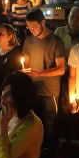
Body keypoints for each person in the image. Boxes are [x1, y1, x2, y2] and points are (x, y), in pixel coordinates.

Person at [23, 8, 66, 148]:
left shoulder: (56, 41)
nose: (32, 30)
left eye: (34, 26)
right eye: (29, 27)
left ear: (43, 22)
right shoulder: (29, 40)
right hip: (32, 91)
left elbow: (61, 69)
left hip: (49, 92)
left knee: (49, 126)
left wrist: (39, 73)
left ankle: (50, 156)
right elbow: (26, 64)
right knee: (32, 125)